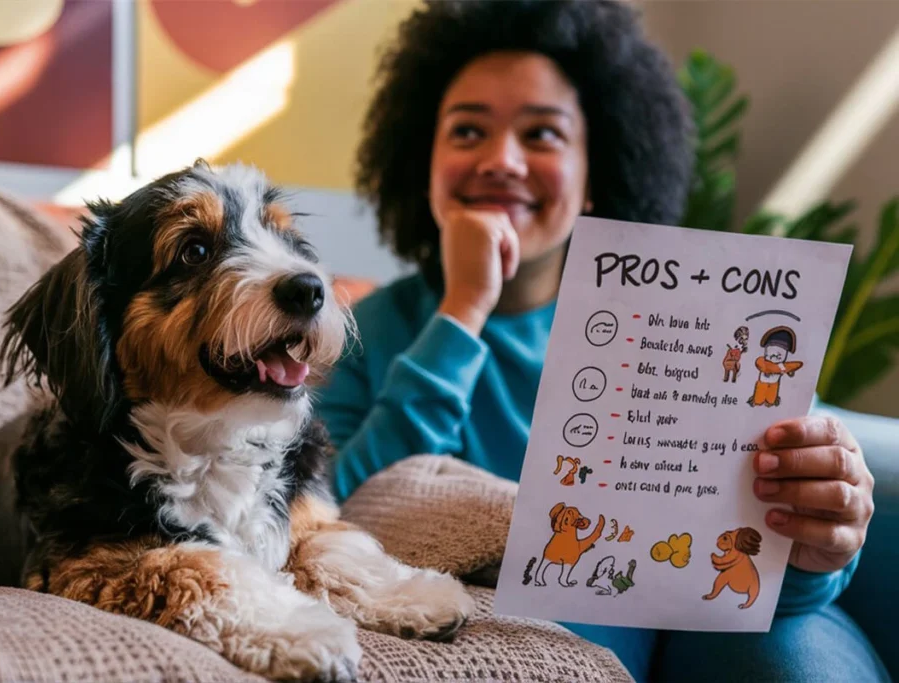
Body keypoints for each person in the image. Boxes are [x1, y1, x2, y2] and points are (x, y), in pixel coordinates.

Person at [315, 1, 883, 681]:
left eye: (543, 135)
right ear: (423, 161)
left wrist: (819, 549)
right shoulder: (357, 331)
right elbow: (330, 521)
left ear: (594, 175)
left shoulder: (690, 323)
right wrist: (462, 311)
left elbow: (750, 575)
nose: (500, 159)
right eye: (468, 130)